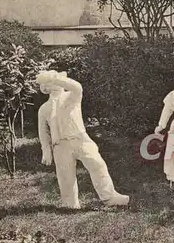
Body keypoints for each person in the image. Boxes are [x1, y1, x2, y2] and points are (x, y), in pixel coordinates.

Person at [37, 70, 130, 209]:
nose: (50, 85)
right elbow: (43, 132)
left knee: (97, 164)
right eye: (47, 84)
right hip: (60, 145)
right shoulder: (44, 108)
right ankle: (70, 204)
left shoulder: (71, 96)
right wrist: (46, 149)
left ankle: (109, 197)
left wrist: (54, 78)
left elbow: (77, 87)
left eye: (54, 82)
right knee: (65, 176)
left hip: (80, 139)